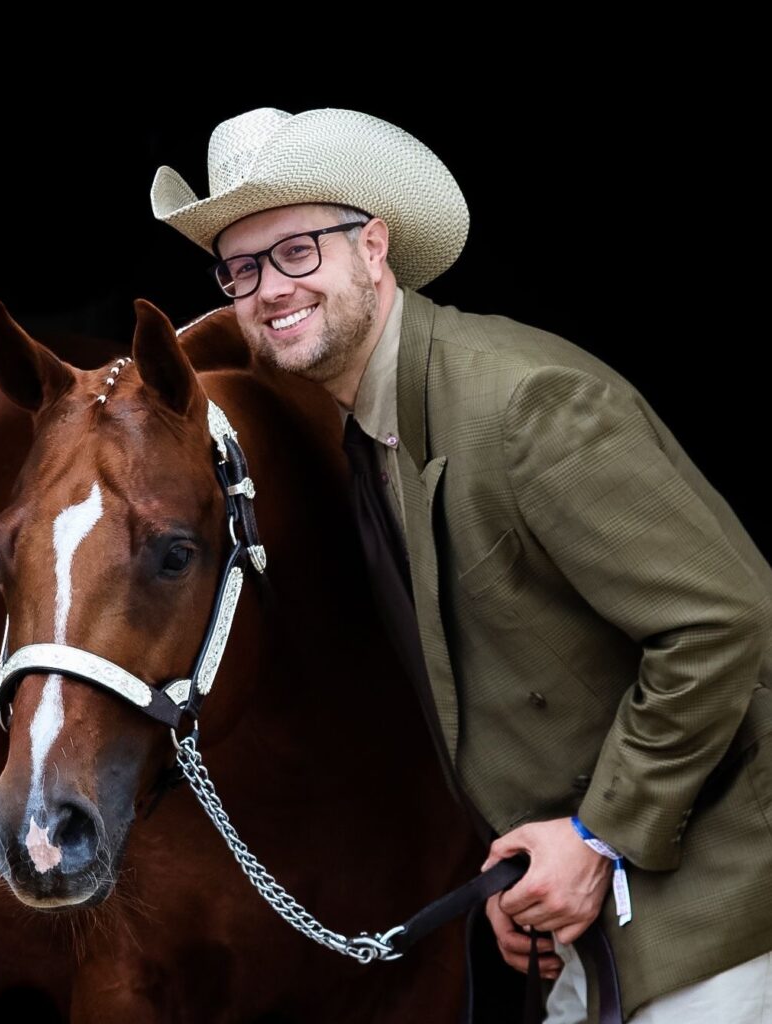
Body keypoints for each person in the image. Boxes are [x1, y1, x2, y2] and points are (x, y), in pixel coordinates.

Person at [151, 107, 772, 1022]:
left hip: (721, 914)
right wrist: (528, 866)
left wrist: (599, 835)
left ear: (373, 247)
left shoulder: (526, 405)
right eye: (240, 269)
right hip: (590, 923)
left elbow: (724, 623)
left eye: (296, 252)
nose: (268, 289)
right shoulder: (368, 437)